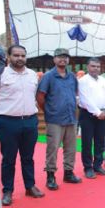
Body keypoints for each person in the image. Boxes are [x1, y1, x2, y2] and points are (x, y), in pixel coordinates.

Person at [0, 45, 44, 206]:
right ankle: (8, 191)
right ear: (9, 57)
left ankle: (30, 186)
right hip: (8, 122)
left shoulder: (32, 75)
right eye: (16, 55)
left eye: (23, 55)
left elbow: (34, 97)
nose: (20, 58)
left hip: (30, 121)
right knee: (8, 158)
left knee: (28, 157)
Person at [37, 48, 82, 190]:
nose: (63, 59)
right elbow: (40, 97)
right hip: (55, 119)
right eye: (60, 57)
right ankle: (50, 176)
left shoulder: (72, 77)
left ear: (68, 60)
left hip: (71, 118)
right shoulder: (48, 76)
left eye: (66, 57)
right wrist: (49, 111)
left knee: (70, 148)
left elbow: (74, 93)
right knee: (53, 148)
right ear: (54, 59)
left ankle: (68, 173)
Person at [78, 57, 105, 179]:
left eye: (98, 66)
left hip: (103, 114)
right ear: (88, 67)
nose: (96, 68)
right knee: (87, 142)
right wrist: (98, 113)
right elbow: (85, 100)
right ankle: (88, 168)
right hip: (88, 114)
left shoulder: (104, 81)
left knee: (100, 141)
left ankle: (98, 165)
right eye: (93, 66)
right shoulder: (83, 81)